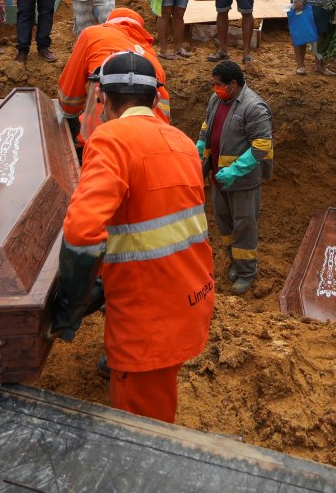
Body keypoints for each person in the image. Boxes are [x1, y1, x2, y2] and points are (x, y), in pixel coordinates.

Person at [49, 51, 213, 423]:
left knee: (140, 429)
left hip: (147, 319)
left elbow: (81, 231)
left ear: (102, 98)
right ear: (155, 100)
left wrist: (70, 306)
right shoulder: (183, 143)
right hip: (190, 297)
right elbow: (153, 220)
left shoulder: (111, 140)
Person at [196, 60, 273, 294]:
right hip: (220, 178)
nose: (215, 89)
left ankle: (247, 271)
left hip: (242, 181)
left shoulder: (254, 107)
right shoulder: (216, 99)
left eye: (218, 85)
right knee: (225, 223)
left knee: (244, 226)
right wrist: (201, 145)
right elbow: (207, 125)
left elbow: (261, 145)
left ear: (233, 84)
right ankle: (235, 261)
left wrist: (236, 170)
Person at [57, 7, 170, 153]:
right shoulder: (150, 56)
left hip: (102, 140)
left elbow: (69, 95)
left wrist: (70, 114)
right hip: (157, 141)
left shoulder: (93, 35)